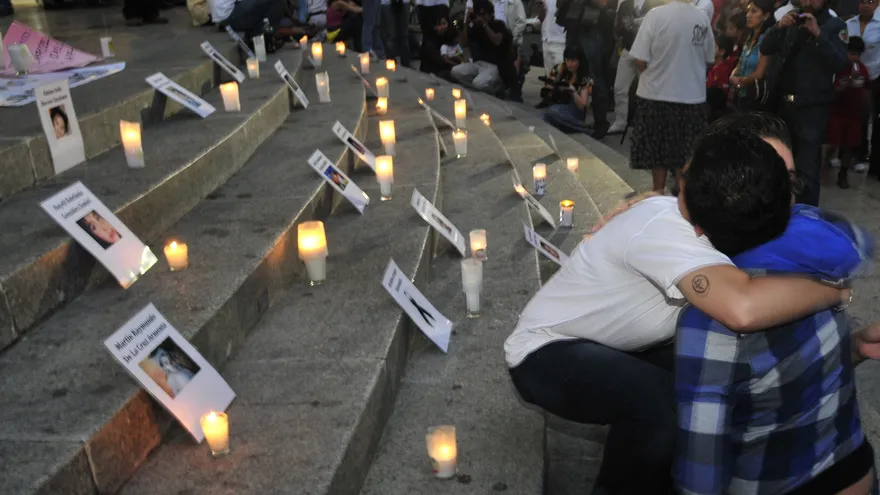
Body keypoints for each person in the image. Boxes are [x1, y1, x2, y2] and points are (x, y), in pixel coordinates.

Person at [505, 113, 851, 495]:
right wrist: (836, 292)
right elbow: (743, 308)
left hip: (624, 346)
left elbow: (838, 243)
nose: (776, 188)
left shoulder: (744, 217)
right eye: (761, 166)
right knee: (661, 405)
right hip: (546, 350)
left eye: (785, 178)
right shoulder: (672, 225)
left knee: (720, 381)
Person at [674, 141, 876, 493]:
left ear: (697, 227)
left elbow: (701, 475)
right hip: (854, 471)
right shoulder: (820, 260)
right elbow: (796, 384)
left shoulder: (708, 323)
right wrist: (855, 346)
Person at [760, 0, 848, 206]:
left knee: (807, 169)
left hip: (811, 108)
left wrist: (819, 34)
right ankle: (778, 212)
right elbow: (766, 46)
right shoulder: (792, 18)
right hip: (782, 105)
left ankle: (807, 216)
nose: (808, 1)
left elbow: (839, 63)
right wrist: (778, 27)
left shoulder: (835, 26)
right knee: (778, 164)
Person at [628, 0, 715, 194]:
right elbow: (709, 59)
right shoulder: (701, 17)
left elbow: (640, 59)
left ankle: (658, 192)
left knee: (656, 152)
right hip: (691, 97)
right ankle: (681, 196)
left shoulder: (655, 15)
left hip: (656, 94)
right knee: (684, 154)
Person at [557, 0, 612, 137]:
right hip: (573, 30)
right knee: (572, 74)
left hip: (591, 32)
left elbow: (604, 3)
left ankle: (601, 123)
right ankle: (574, 118)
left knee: (595, 77)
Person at [826, 36, 871, 189]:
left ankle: (843, 174)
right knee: (831, 142)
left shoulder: (862, 69)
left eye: (857, 54)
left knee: (848, 145)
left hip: (854, 114)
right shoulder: (838, 68)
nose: (854, 58)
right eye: (851, 53)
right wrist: (846, 84)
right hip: (837, 112)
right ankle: (824, 165)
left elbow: (866, 90)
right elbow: (831, 92)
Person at [608, 0, 655, 134]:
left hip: (647, 52)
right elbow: (619, 27)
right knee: (619, 87)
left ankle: (645, 126)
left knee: (647, 91)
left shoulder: (655, 3)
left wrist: (633, 24)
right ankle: (620, 122)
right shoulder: (626, 3)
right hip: (628, 49)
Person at [451, 0, 514, 95]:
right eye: (479, 15)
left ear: (491, 13)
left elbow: (497, 41)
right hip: (479, 63)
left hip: (495, 66)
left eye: (483, 14)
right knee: (455, 71)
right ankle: (480, 87)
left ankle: (498, 88)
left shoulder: (498, 24)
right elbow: (463, 44)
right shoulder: (476, 27)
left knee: (478, 83)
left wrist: (485, 25)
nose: (481, 17)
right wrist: (466, 23)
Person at [847, 0, 879, 175]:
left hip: (874, 75)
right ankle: (847, 152)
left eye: (871, 2)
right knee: (851, 113)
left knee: (869, 115)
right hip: (851, 74)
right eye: (863, 1)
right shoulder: (848, 24)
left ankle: (862, 154)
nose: (866, 5)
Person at [729, 0, 775, 110]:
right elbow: (741, 63)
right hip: (742, 95)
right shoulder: (750, 36)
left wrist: (740, 82)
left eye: (754, 11)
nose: (748, 15)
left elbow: (760, 73)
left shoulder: (767, 39)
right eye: (748, 11)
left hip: (755, 97)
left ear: (766, 15)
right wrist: (732, 76)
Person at [541, 48, 593, 133]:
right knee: (544, 117)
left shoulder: (585, 78)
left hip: (574, 110)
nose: (570, 64)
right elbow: (549, 87)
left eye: (573, 61)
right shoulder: (560, 68)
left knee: (553, 112)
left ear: (580, 61)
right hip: (559, 104)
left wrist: (573, 92)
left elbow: (582, 106)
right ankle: (567, 127)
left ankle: (583, 128)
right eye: (567, 60)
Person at [707, 35, 738, 120]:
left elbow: (723, 93)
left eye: (713, 46)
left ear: (722, 52)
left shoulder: (724, 70)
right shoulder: (713, 66)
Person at [416, 0, 450, 70]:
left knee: (440, 34)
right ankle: (426, 65)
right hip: (423, 5)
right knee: (427, 35)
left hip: (440, 4)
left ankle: (441, 64)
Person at [538, 0, 567, 77]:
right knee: (549, 75)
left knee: (560, 74)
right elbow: (541, 18)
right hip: (546, 39)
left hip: (560, 40)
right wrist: (541, 8)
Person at [380, 0, 412, 67]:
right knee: (391, 35)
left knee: (404, 35)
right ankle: (392, 63)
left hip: (404, 2)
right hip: (387, 3)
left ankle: (406, 63)